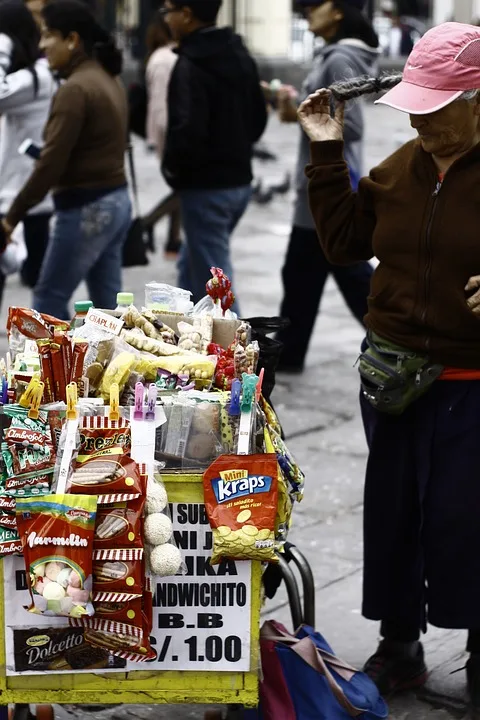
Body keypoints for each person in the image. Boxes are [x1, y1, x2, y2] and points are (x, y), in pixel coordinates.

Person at [299, 21, 480, 716]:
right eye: (417, 110)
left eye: (440, 110)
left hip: (472, 383)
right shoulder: (398, 171)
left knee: (468, 519)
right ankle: (399, 645)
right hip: (396, 381)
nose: (425, 123)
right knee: (396, 515)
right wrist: (324, 148)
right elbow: (344, 242)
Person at [2, 0, 131, 321]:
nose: (42, 45)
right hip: (114, 201)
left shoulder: (75, 89)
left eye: (48, 36)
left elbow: (50, 164)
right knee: (110, 309)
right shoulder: (106, 78)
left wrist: (10, 218)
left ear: (72, 40)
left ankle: (58, 371)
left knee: (48, 299)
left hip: (86, 208)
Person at [274, 0, 378, 373]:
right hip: (319, 184)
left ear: (337, 11)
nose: (306, 12)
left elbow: (353, 126)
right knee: (312, 271)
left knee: (332, 270)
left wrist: (313, 121)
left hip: (330, 183)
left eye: (313, 5)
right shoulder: (332, 56)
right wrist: (293, 109)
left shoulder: (338, 59)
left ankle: (395, 331)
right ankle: (288, 354)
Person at [161, 0, 268, 310]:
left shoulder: (191, 63)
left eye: (169, 9)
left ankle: (238, 351)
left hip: (206, 188)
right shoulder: (239, 53)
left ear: (186, 13)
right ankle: (180, 334)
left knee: (217, 284)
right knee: (191, 265)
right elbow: (258, 118)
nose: (166, 18)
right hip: (239, 183)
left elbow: (186, 130)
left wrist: (176, 173)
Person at [0, 0, 56, 300]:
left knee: (39, 280)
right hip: (20, 189)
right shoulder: (31, 75)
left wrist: (2, 44)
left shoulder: (37, 78)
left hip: (25, 192)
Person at [145, 10, 181, 258]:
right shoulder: (164, 59)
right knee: (185, 191)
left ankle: (173, 241)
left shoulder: (167, 56)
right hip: (172, 137)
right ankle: (146, 222)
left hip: (172, 135)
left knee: (181, 189)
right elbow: (161, 108)